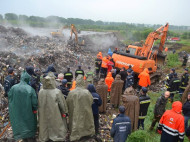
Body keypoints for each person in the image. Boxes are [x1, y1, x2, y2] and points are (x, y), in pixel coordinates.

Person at [8, 70, 38, 141]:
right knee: (28, 124)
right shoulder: (30, 89)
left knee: (19, 123)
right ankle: (29, 137)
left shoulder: (13, 88)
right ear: (27, 79)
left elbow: (9, 98)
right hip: (28, 111)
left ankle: (20, 136)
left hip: (16, 110)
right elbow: (34, 103)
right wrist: (34, 109)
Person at [38, 73, 68, 142]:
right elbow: (62, 104)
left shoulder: (40, 92)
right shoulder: (57, 92)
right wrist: (65, 112)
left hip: (43, 114)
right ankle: (56, 137)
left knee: (45, 126)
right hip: (55, 113)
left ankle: (45, 137)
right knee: (56, 126)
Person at [66, 75, 95, 141]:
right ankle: (86, 133)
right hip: (85, 111)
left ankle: (75, 135)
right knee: (85, 122)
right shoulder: (87, 92)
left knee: (75, 123)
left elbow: (68, 102)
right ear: (83, 82)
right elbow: (91, 101)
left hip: (74, 111)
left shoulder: (71, 92)